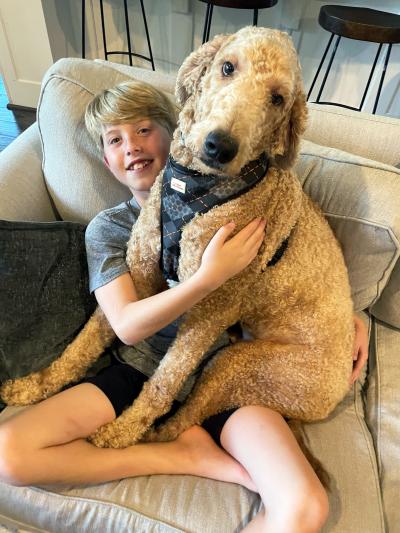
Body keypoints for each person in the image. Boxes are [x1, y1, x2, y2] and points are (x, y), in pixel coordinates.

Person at [0, 80, 368, 532]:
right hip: (141, 368)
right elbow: (127, 325)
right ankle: (178, 453)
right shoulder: (110, 229)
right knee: (9, 455)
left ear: (178, 133)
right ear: (105, 159)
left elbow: (302, 271)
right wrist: (210, 277)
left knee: (306, 505)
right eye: (115, 140)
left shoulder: (244, 203)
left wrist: (341, 319)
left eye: (143, 129)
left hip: (230, 375)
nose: (132, 146)